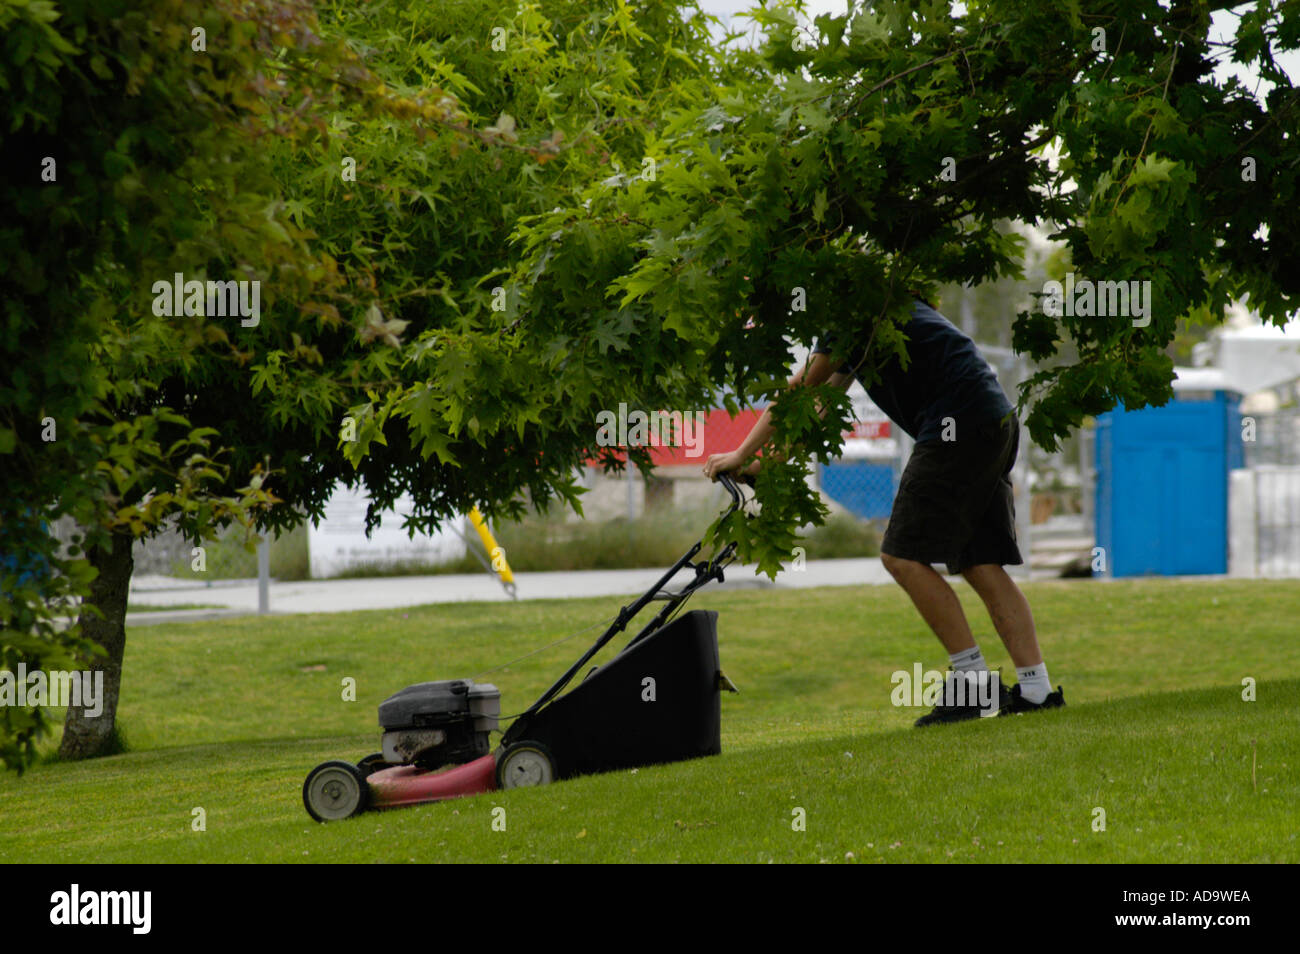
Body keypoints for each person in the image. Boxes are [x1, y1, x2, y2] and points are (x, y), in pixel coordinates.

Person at [703, 297, 1065, 725]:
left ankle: (972, 687)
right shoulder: (874, 306)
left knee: (901, 555)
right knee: (979, 561)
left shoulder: (850, 309)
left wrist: (740, 451)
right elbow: (819, 405)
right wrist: (765, 464)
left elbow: (801, 390)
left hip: (959, 425)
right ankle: (1037, 691)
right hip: (992, 422)